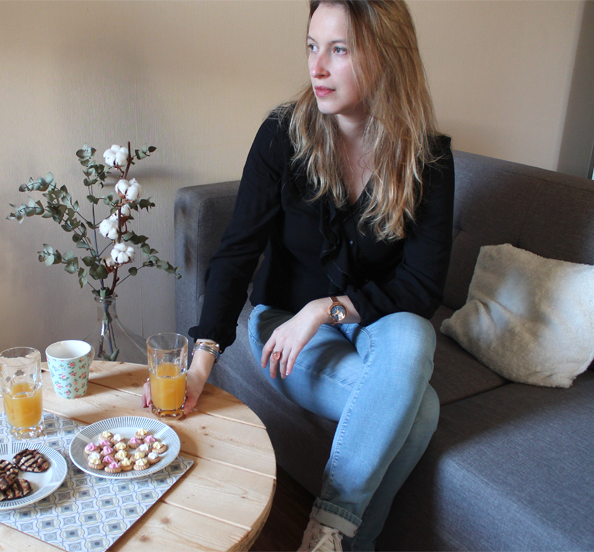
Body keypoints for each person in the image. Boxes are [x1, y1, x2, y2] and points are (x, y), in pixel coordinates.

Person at [145, 0, 454, 550]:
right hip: (285, 327)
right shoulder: (283, 134)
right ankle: (344, 541)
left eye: (339, 50)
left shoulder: (426, 158)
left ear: (387, 55)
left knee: (414, 334)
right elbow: (237, 252)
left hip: (370, 322)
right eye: (312, 46)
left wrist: (326, 309)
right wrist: (200, 362)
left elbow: (423, 288)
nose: (317, 67)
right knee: (421, 409)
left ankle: (326, 533)